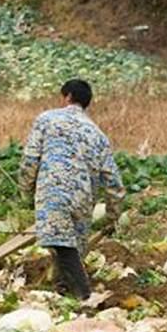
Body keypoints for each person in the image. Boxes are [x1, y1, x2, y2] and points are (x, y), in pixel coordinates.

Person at [18, 79, 126, 300]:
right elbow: (113, 180)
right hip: (84, 199)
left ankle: (85, 296)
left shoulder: (47, 119)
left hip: (54, 191)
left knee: (62, 245)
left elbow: (30, 160)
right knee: (70, 248)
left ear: (66, 97)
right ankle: (62, 292)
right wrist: (113, 215)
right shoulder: (97, 134)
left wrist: (25, 190)